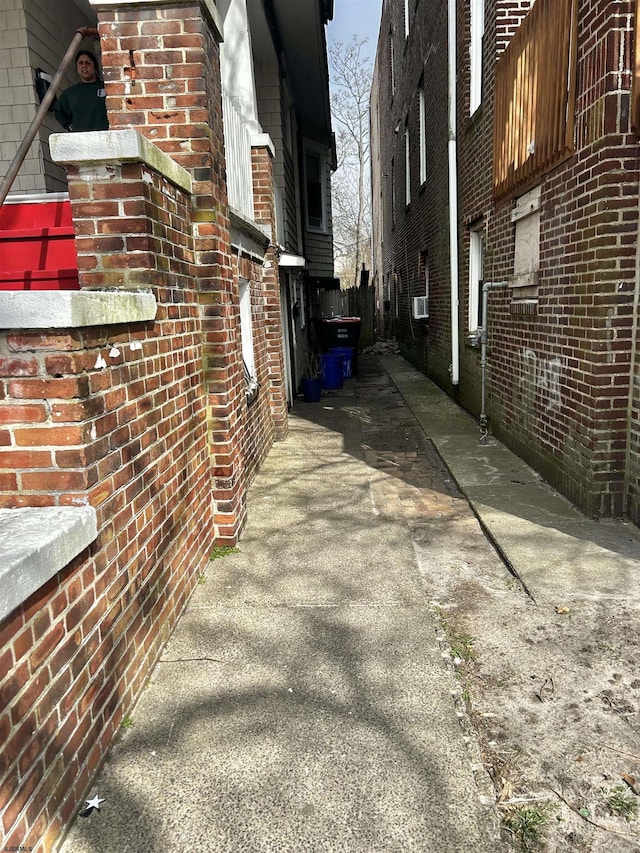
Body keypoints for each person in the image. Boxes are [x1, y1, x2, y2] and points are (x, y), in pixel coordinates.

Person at [53, 50, 108, 132]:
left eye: (88, 63)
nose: (84, 66)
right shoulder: (70, 93)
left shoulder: (106, 88)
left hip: (105, 136)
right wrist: (68, 125)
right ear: (77, 68)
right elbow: (58, 110)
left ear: (95, 67)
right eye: (81, 63)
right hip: (81, 139)